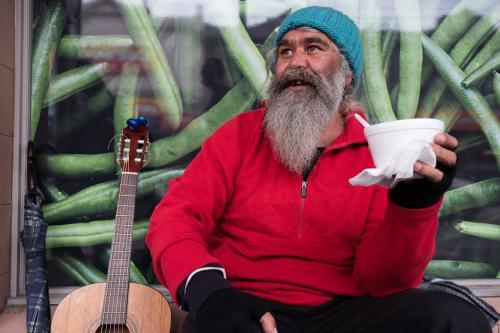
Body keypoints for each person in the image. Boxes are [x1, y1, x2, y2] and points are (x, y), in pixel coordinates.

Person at [146, 6, 491, 333]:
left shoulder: (379, 153)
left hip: (343, 312)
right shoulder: (238, 137)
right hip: (247, 305)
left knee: (453, 318)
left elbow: (385, 281)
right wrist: (210, 290)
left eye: (313, 48)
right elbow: (175, 217)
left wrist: (413, 208)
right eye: (285, 52)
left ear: (346, 75)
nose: (296, 62)